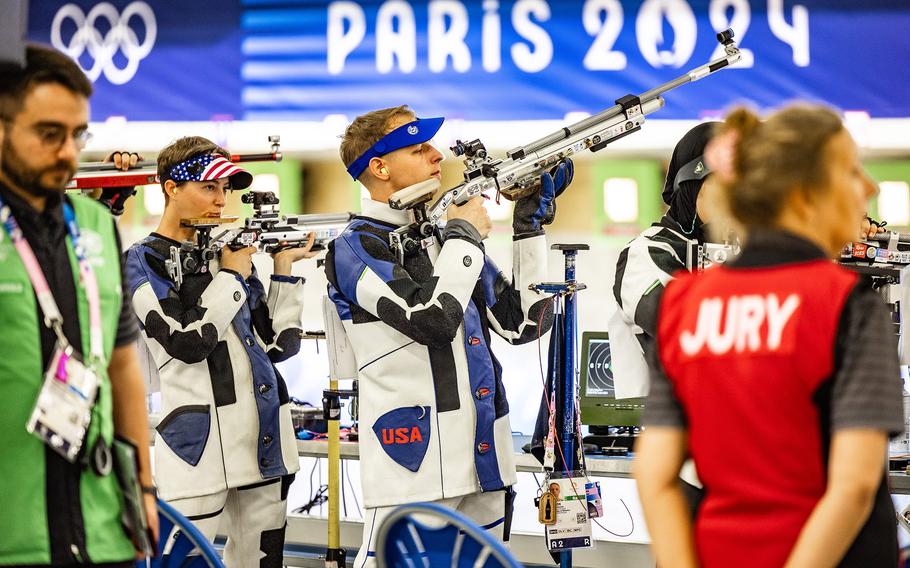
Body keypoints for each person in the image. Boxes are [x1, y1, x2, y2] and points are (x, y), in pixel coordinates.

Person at [635, 104, 903, 568]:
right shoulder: (847, 303)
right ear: (804, 196)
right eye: (851, 170)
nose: (870, 187)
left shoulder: (686, 304)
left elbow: (654, 475)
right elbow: (855, 486)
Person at [324, 105, 572, 567]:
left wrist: (528, 228)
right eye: (419, 148)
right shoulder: (353, 247)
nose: (437, 155)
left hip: (485, 461)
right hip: (413, 463)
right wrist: (462, 237)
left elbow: (526, 324)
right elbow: (431, 321)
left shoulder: (444, 237)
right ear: (379, 167)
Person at [124, 136, 316, 567]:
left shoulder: (227, 255)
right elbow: (186, 343)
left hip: (265, 441)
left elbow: (278, 347)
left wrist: (283, 270)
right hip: (198, 445)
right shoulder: (142, 260)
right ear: (172, 187)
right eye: (209, 187)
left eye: (225, 189)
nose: (221, 199)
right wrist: (231, 275)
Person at [0, 44, 157, 566]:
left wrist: (144, 490)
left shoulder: (95, 227)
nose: (68, 151)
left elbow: (120, 366)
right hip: (13, 534)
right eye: (49, 134)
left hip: (101, 529)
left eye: (77, 135)